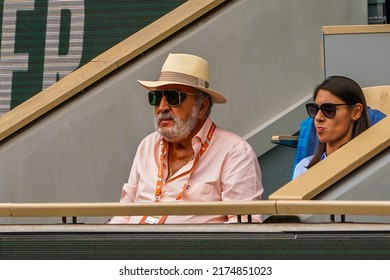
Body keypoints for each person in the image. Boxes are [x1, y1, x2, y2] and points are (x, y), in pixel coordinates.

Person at [109, 53, 264, 224]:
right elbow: (124, 212)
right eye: (156, 97)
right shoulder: (147, 145)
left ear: (202, 107)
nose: (162, 107)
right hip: (133, 247)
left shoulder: (234, 152)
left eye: (173, 97)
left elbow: (243, 228)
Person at [292, 75, 370, 179]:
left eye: (328, 109)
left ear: (356, 112)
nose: (318, 117)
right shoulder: (303, 168)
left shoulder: (371, 167)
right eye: (314, 109)